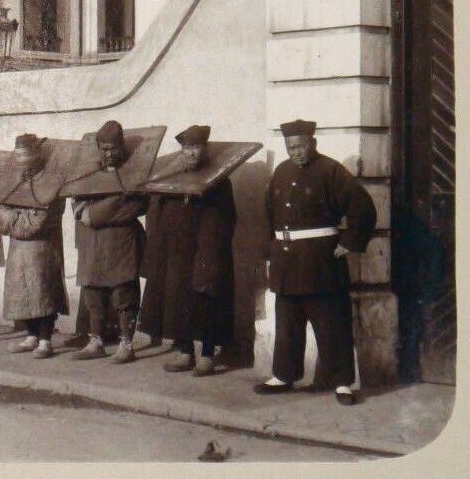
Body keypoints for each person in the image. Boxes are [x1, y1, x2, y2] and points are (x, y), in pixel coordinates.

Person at [254, 119, 376, 405]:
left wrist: (348, 243)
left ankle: (343, 383)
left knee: (331, 323)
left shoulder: (331, 171)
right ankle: (284, 375)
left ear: (312, 143)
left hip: (320, 263)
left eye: (299, 146)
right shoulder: (281, 172)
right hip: (286, 262)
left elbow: (363, 207)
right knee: (287, 323)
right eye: (289, 146)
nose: (295, 151)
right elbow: (268, 215)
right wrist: (268, 252)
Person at [139, 125, 237, 376]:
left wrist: (211, 248)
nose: (191, 153)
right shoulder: (171, 177)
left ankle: (207, 354)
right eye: (187, 148)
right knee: (177, 300)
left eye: (196, 147)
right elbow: (158, 211)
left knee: (206, 300)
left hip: (205, 250)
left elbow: (226, 217)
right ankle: (185, 352)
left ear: (205, 149)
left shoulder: (218, 179)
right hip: (175, 252)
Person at [70, 120, 148, 364]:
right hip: (92, 243)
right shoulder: (87, 174)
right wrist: (102, 208)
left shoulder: (134, 173)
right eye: (104, 148)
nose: (109, 153)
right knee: (93, 293)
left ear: (121, 147)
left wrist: (95, 214)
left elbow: (136, 205)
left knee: (124, 293)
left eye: (113, 147)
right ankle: (96, 341)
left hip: (121, 243)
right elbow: (77, 204)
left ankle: (126, 344)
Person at [0, 134, 69, 359]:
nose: (21, 159)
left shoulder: (52, 181)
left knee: (42, 291)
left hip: (41, 248)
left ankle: (46, 340)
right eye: (18, 154)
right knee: (22, 290)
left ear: (36, 155)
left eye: (26, 154)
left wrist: (12, 216)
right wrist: (15, 216)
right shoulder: (12, 180)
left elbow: (36, 223)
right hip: (18, 249)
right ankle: (31, 335)